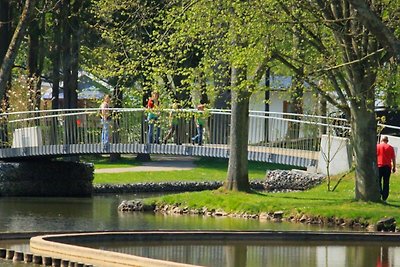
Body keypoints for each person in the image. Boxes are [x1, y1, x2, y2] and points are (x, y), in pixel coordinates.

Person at [377, 135, 396, 202]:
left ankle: (379, 192)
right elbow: (393, 158)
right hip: (387, 167)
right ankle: (384, 197)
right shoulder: (390, 148)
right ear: (387, 141)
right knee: (386, 182)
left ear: (381, 140)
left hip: (379, 166)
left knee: (378, 181)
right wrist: (394, 167)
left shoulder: (377, 146)